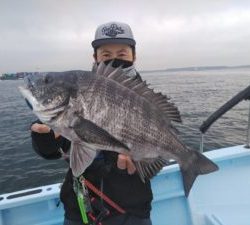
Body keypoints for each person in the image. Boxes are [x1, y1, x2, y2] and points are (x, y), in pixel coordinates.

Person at [31, 21, 153, 225]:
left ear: (134, 56)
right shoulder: (73, 92)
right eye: (106, 55)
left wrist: (143, 158)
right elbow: (52, 150)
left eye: (122, 54)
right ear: (95, 57)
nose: (114, 59)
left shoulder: (147, 102)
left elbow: (156, 152)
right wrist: (44, 139)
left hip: (133, 209)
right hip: (80, 207)